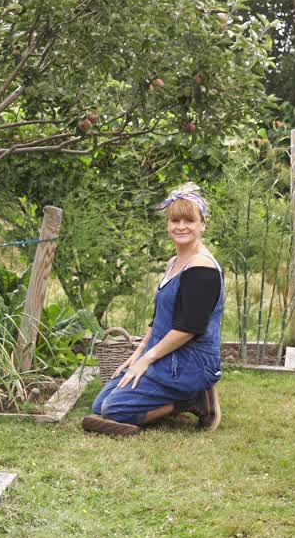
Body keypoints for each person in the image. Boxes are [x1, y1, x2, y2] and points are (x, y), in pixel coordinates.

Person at [81, 183, 223, 437]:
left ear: (202, 224)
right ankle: (153, 405)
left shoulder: (202, 267)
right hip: (164, 353)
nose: (180, 226)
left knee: (114, 409)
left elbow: (188, 328)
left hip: (189, 360)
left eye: (189, 220)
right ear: (168, 225)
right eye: (174, 220)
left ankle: (192, 400)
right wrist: (137, 355)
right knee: (99, 404)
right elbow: (159, 318)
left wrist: (148, 359)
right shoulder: (173, 262)